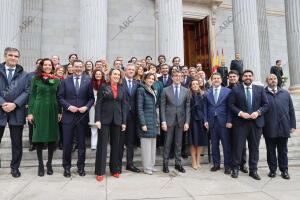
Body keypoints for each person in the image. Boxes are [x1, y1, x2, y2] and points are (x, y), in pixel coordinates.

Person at [229, 70, 269, 180]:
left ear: (253, 77)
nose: (248, 77)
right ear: (242, 78)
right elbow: (231, 104)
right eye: (245, 76)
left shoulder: (260, 89)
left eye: (250, 76)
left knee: (254, 148)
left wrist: (258, 112)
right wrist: (241, 113)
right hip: (240, 123)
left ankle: (253, 170)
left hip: (255, 123)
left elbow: (266, 104)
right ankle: (235, 168)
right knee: (238, 147)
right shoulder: (235, 89)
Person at [58, 60, 94, 178]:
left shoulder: (88, 81)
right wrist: (68, 106)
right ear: (71, 68)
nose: (78, 69)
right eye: (76, 67)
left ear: (83, 68)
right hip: (68, 117)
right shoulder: (65, 81)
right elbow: (60, 97)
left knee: (82, 144)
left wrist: (86, 107)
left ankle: (81, 167)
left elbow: (91, 98)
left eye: (80, 67)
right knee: (67, 144)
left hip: (82, 117)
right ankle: (67, 168)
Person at [27, 58, 61, 176]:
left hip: (53, 109)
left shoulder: (56, 80)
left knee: (52, 137)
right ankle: (40, 164)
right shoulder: (35, 79)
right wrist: (30, 113)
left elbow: (59, 96)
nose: (47, 66)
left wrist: (59, 111)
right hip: (39, 109)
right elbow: (32, 96)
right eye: (45, 65)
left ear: (52, 67)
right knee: (39, 137)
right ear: (41, 66)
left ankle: (49, 163)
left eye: (49, 65)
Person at [0, 47, 29, 178]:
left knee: (17, 144)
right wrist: (3, 103)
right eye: (10, 55)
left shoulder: (25, 75)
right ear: (5, 56)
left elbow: (28, 91)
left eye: (16, 56)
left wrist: (15, 104)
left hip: (17, 112)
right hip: (0, 110)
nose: (13, 58)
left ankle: (15, 168)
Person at [94, 68, 127, 181]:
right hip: (104, 120)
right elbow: (98, 103)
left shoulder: (122, 88)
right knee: (102, 146)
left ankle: (114, 170)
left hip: (117, 120)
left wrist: (123, 122)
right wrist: (97, 119)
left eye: (118, 74)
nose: (116, 76)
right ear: (110, 75)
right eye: (115, 74)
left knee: (116, 146)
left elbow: (124, 106)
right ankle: (100, 171)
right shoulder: (103, 86)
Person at [263, 74, 296, 179]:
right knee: (271, 150)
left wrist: (292, 125)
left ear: (277, 80)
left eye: (275, 79)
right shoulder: (262, 94)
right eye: (270, 79)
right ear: (266, 81)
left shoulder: (285, 93)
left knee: (283, 151)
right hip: (269, 127)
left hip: (284, 127)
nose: (273, 80)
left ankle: (284, 170)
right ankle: (272, 170)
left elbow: (291, 110)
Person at [160, 70, 190, 173]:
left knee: (178, 144)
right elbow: (162, 107)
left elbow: (187, 108)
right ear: (172, 78)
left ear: (182, 78)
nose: (178, 78)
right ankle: (165, 164)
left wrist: (187, 122)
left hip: (181, 121)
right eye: (176, 76)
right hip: (169, 121)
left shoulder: (186, 91)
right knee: (167, 143)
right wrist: (163, 121)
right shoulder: (165, 90)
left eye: (180, 76)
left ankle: (178, 164)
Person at [204, 72, 232, 174]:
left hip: (224, 122)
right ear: (211, 80)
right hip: (212, 122)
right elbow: (205, 108)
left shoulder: (228, 91)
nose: (216, 80)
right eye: (214, 78)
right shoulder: (207, 92)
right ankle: (216, 164)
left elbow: (230, 108)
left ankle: (227, 166)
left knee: (226, 145)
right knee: (214, 145)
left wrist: (229, 121)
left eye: (218, 78)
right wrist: (205, 120)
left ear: (221, 80)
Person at [118, 64, 140, 174]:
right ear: (125, 71)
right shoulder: (120, 82)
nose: (131, 71)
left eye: (133, 70)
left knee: (130, 142)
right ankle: (118, 165)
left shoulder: (137, 83)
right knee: (120, 141)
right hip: (121, 115)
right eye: (129, 69)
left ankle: (129, 164)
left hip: (133, 116)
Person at [227, 70, 248, 173]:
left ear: (238, 77)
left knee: (242, 144)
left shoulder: (243, 88)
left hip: (241, 120)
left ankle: (242, 164)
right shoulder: (226, 89)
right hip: (230, 120)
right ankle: (233, 163)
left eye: (234, 76)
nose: (232, 78)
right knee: (231, 142)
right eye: (230, 77)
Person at [137, 73, 158, 175]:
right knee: (146, 147)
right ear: (144, 79)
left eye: (152, 79)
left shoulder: (153, 90)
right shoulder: (141, 90)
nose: (151, 80)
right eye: (149, 78)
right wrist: (143, 123)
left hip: (153, 122)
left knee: (153, 146)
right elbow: (139, 108)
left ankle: (152, 165)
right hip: (145, 121)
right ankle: (146, 168)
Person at [188, 79, 207, 169]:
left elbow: (206, 108)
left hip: (201, 120)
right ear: (191, 86)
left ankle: (198, 160)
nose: (195, 85)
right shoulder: (188, 95)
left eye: (196, 84)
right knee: (192, 141)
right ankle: (193, 160)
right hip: (191, 121)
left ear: (199, 85)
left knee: (200, 141)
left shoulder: (203, 95)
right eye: (193, 84)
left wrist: (206, 120)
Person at [27, 58, 43, 152]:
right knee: (31, 124)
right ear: (36, 65)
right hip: (32, 103)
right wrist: (27, 104)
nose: (40, 65)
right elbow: (27, 90)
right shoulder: (29, 75)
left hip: (42, 104)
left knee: (41, 124)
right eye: (38, 64)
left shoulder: (48, 76)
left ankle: (41, 143)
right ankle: (32, 143)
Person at [89, 69, 105, 150]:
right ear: (94, 75)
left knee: (102, 126)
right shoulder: (90, 84)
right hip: (93, 106)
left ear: (102, 75)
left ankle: (101, 144)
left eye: (99, 74)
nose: (98, 75)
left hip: (103, 107)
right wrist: (93, 102)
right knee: (94, 126)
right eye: (96, 74)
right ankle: (93, 145)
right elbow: (88, 95)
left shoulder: (105, 84)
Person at [54, 65, 65, 150]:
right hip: (54, 104)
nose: (60, 72)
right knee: (55, 125)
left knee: (61, 125)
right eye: (59, 70)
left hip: (63, 105)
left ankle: (61, 142)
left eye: (62, 71)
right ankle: (54, 143)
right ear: (56, 71)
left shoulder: (65, 81)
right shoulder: (52, 80)